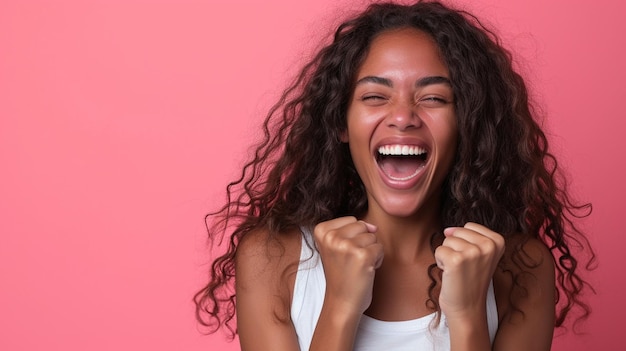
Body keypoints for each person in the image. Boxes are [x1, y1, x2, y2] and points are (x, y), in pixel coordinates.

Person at [194, 1, 595, 350]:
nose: (403, 117)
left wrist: (468, 315)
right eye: (374, 96)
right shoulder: (273, 258)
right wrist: (340, 306)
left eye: (434, 98)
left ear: (467, 124)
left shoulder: (521, 268)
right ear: (341, 123)